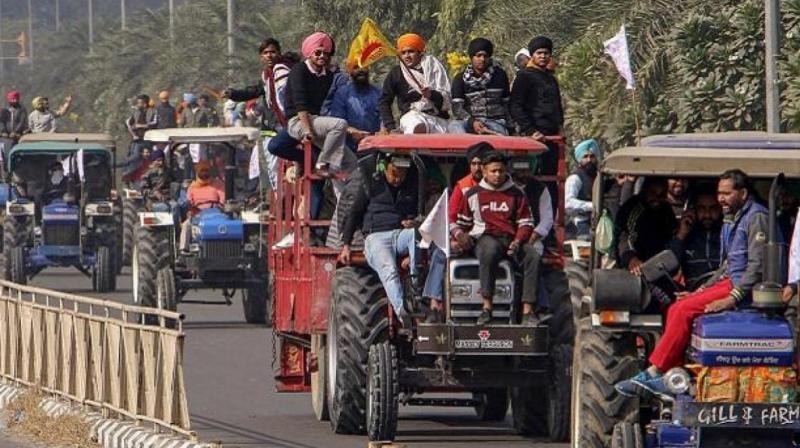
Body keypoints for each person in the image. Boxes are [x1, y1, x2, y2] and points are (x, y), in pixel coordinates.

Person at [616, 170, 769, 397]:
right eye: (720, 194)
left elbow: (756, 267)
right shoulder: (736, 219)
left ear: (743, 193)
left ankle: (656, 372)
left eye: (726, 194)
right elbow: (728, 265)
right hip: (728, 281)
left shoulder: (756, 217)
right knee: (679, 304)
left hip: (742, 288)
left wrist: (731, 298)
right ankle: (674, 376)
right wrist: (701, 291)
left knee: (681, 310)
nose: (721, 199)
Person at [452, 152, 539, 325]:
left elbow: (526, 222)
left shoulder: (517, 194)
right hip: (485, 238)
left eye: (500, 171)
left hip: (511, 239)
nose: (497, 175)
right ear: (484, 171)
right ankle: (487, 308)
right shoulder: (472, 194)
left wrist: (518, 241)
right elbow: (463, 223)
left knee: (533, 256)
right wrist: (459, 236)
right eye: (493, 171)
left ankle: (528, 311)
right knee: (489, 251)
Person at [338, 154, 419, 324]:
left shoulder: (411, 186)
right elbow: (353, 213)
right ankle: (402, 311)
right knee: (389, 270)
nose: (398, 179)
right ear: (385, 168)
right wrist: (346, 245)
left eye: (402, 175)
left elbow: (418, 213)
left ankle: (416, 289)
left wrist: (413, 222)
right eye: (394, 174)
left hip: (400, 233)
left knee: (416, 235)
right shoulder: (371, 185)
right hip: (376, 236)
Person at [284, 31, 355, 179]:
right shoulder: (299, 70)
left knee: (352, 163)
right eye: (318, 53)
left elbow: (321, 107)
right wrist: (307, 131)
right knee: (339, 124)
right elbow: (300, 104)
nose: (322, 56)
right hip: (298, 122)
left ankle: (344, 199)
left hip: (316, 121)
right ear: (310, 53)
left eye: (326, 53)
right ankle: (321, 164)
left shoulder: (327, 76)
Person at [510, 36, 564, 176]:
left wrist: (560, 127)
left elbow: (556, 105)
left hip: (551, 137)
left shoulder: (551, 79)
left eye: (546, 53)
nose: (543, 56)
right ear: (532, 55)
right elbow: (515, 106)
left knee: (551, 176)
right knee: (529, 175)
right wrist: (530, 130)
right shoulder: (524, 76)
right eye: (539, 53)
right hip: (532, 137)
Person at [379, 33, 452, 134]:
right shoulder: (396, 73)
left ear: (420, 52)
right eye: (403, 53)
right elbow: (384, 102)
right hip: (412, 117)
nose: (407, 56)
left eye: (411, 52)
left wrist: (431, 95)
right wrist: (391, 127)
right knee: (416, 125)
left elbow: (445, 99)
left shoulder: (433, 67)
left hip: (438, 118)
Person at [224, 38, 292, 131]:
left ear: (279, 53)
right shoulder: (266, 76)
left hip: (291, 123)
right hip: (272, 126)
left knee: (275, 145)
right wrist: (232, 94)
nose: (269, 55)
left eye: (272, 52)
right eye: (265, 53)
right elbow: (254, 91)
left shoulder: (287, 71)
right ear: (261, 57)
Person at [614, 177, 677, 274]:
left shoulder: (666, 210)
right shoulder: (632, 208)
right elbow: (624, 237)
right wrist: (631, 259)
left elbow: (672, 236)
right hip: (634, 268)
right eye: (653, 193)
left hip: (660, 266)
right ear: (644, 191)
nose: (657, 199)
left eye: (661, 195)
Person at [451, 38, 511, 135]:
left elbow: (507, 104)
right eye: (478, 56)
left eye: (485, 56)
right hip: (470, 121)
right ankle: (466, 148)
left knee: (498, 132)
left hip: (495, 121)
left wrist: (512, 128)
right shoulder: (460, 79)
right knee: (454, 126)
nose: (482, 59)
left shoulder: (499, 75)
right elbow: (457, 109)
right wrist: (473, 122)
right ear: (471, 57)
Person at [669, 185, 723, 290]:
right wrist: (681, 234)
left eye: (713, 208)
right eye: (701, 208)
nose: (707, 215)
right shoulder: (686, 235)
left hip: (721, 292)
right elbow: (670, 268)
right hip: (692, 293)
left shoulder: (728, 233)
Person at [328, 63, 382, 149]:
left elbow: (384, 117)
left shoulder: (378, 93)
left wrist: (383, 131)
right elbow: (336, 120)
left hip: (374, 144)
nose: (360, 70)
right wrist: (351, 131)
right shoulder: (342, 93)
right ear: (350, 71)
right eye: (356, 67)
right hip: (347, 145)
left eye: (363, 66)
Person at [180, 161, 227, 251]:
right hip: (197, 212)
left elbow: (223, 199)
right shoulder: (192, 187)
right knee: (186, 224)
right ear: (197, 173)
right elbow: (188, 201)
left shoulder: (217, 183)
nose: (204, 173)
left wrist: (222, 206)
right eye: (202, 171)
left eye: (206, 171)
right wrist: (190, 210)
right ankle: (184, 249)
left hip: (216, 211)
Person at [565, 139, 599, 240]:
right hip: (581, 221)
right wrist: (592, 206)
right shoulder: (575, 178)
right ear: (579, 160)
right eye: (585, 156)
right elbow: (568, 203)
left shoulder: (599, 177)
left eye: (592, 156)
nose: (589, 160)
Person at [125, 94, 156, 176]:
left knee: (146, 158)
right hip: (137, 139)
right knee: (134, 156)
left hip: (148, 139)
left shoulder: (153, 112)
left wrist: (141, 125)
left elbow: (154, 123)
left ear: (145, 104)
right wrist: (133, 132)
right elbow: (129, 123)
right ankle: (129, 175)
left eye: (139, 103)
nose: (138, 105)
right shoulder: (136, 113)